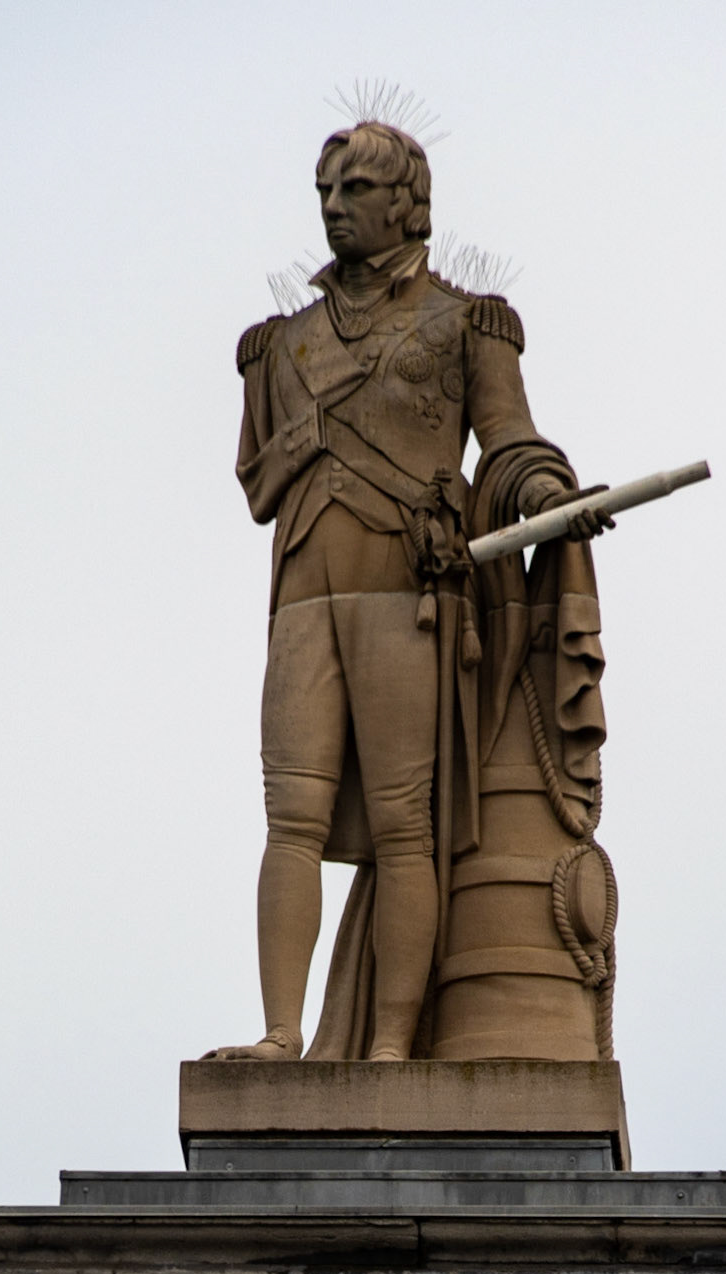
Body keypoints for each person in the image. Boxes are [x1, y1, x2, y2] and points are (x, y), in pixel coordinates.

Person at [206, 119, 607, 1062]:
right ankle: (279, 1036)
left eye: (355, 189)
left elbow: (509, 442)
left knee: (403, 827)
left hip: (409, 599)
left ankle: (389, 1051)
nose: (335, 207)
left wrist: (548, 494)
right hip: (305, 598)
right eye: (327, 192)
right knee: (288, 820)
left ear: (406, 202)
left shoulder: (467, 324)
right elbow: (258, 483)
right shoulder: (277, 346)